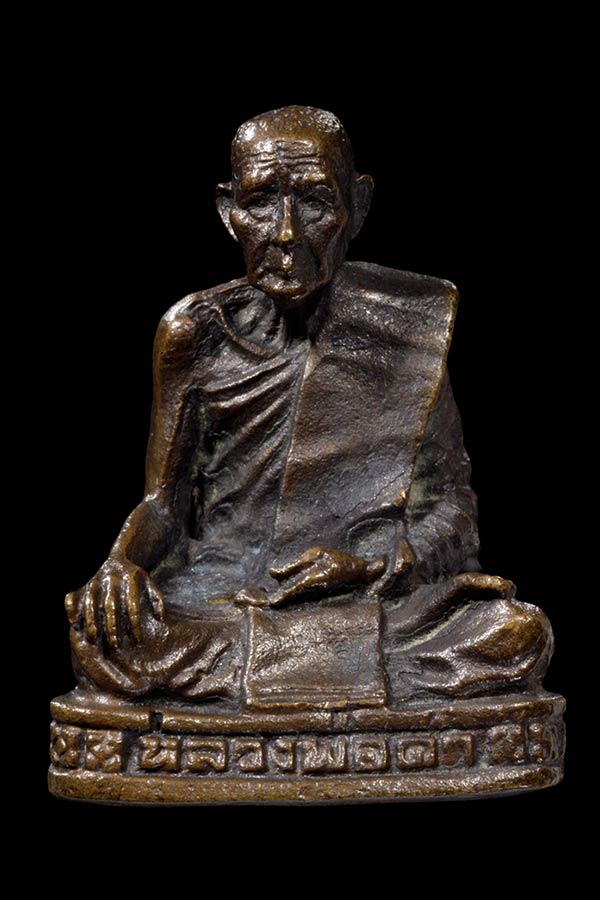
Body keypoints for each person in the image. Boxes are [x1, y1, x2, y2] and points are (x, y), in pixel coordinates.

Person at [65, 106, 553, 704]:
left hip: (363, 597)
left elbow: (453, 506)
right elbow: (163, 505)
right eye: (260, 203)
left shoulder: (406, 327)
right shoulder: (195, 333)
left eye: (317, 203)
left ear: (358, 207)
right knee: (106, 638)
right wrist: (120, 564)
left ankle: (281, 676)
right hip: (227, 597)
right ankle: (341, 677)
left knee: (514, 633)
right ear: (228, 211)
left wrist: (367, 566)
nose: (286, 233)